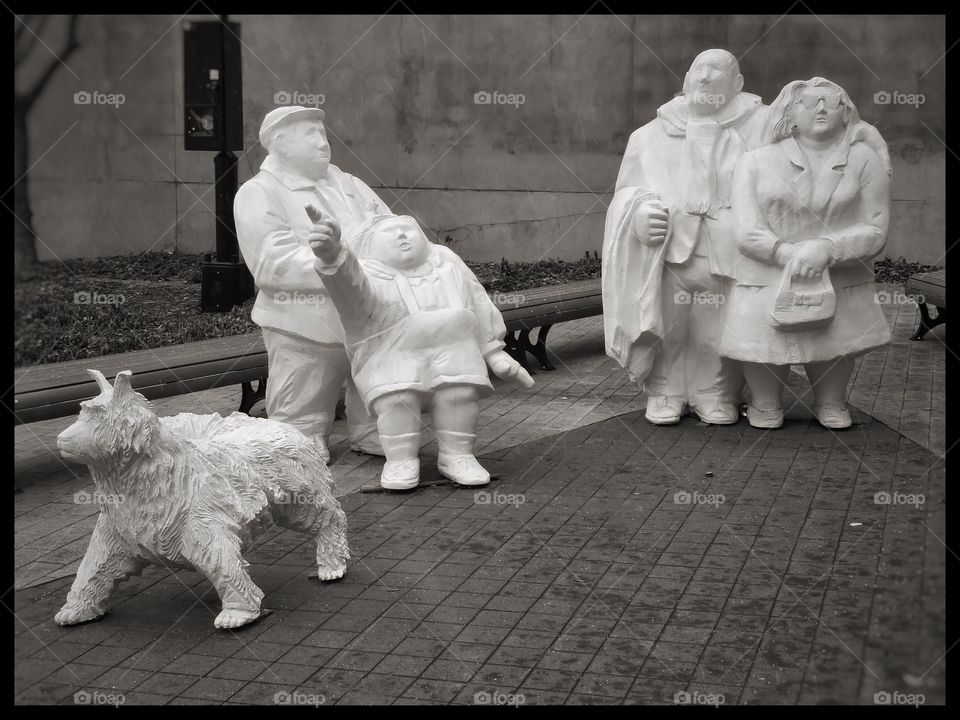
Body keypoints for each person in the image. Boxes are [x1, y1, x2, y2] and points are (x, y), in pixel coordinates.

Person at [602, 49, 891, 427]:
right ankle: (665, 391)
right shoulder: (649, 135)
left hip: (731, 249)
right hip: (669, 248)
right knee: (669, 324)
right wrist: (638, 214)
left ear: (737, 84)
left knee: (716, 328)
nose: (705, 77)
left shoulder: (762, 123)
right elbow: (626, 190)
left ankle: (716, 393)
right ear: (686, 79)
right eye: (698, 70)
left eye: (717, 70)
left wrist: (871, 142)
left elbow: (827, 127)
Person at [308, 211, 534, 490]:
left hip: (453, 347)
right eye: (390, 232)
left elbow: (479, 303)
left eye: (408, 228)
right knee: (399, 399)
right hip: (394, 354)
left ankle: (457, 455)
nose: (402, 235)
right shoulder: (370, 275)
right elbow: (349, 288)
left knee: (459, 393)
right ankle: (401, 459)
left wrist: (494, 350)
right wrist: (333, 256)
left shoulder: (447, 266)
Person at [720, 77, 892, 429]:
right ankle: (765, 403)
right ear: (789, 113)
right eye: (810, 103)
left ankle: (831, 402)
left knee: (834, 341)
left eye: (832, 102)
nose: (822, 109)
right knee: (765, 341)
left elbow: (875, 227)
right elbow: (746, 229)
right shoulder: (754, 161)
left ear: (846, 114)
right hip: (766, 270)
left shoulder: (863, 160)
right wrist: (788, 254)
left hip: (841, 273)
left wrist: (828, 248)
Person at [234, 106, 390, 462]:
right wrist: (343, 262)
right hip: (302, 324)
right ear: (281, 144)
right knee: (303, 400)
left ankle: (370, 430)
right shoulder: (259, 193)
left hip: (363, 316)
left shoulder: (348, 184)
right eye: (310, 134)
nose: (323, 142)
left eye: (323, 133)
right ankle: (301, 439)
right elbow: (272, 264)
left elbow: (389, 227)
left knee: (372, 386)